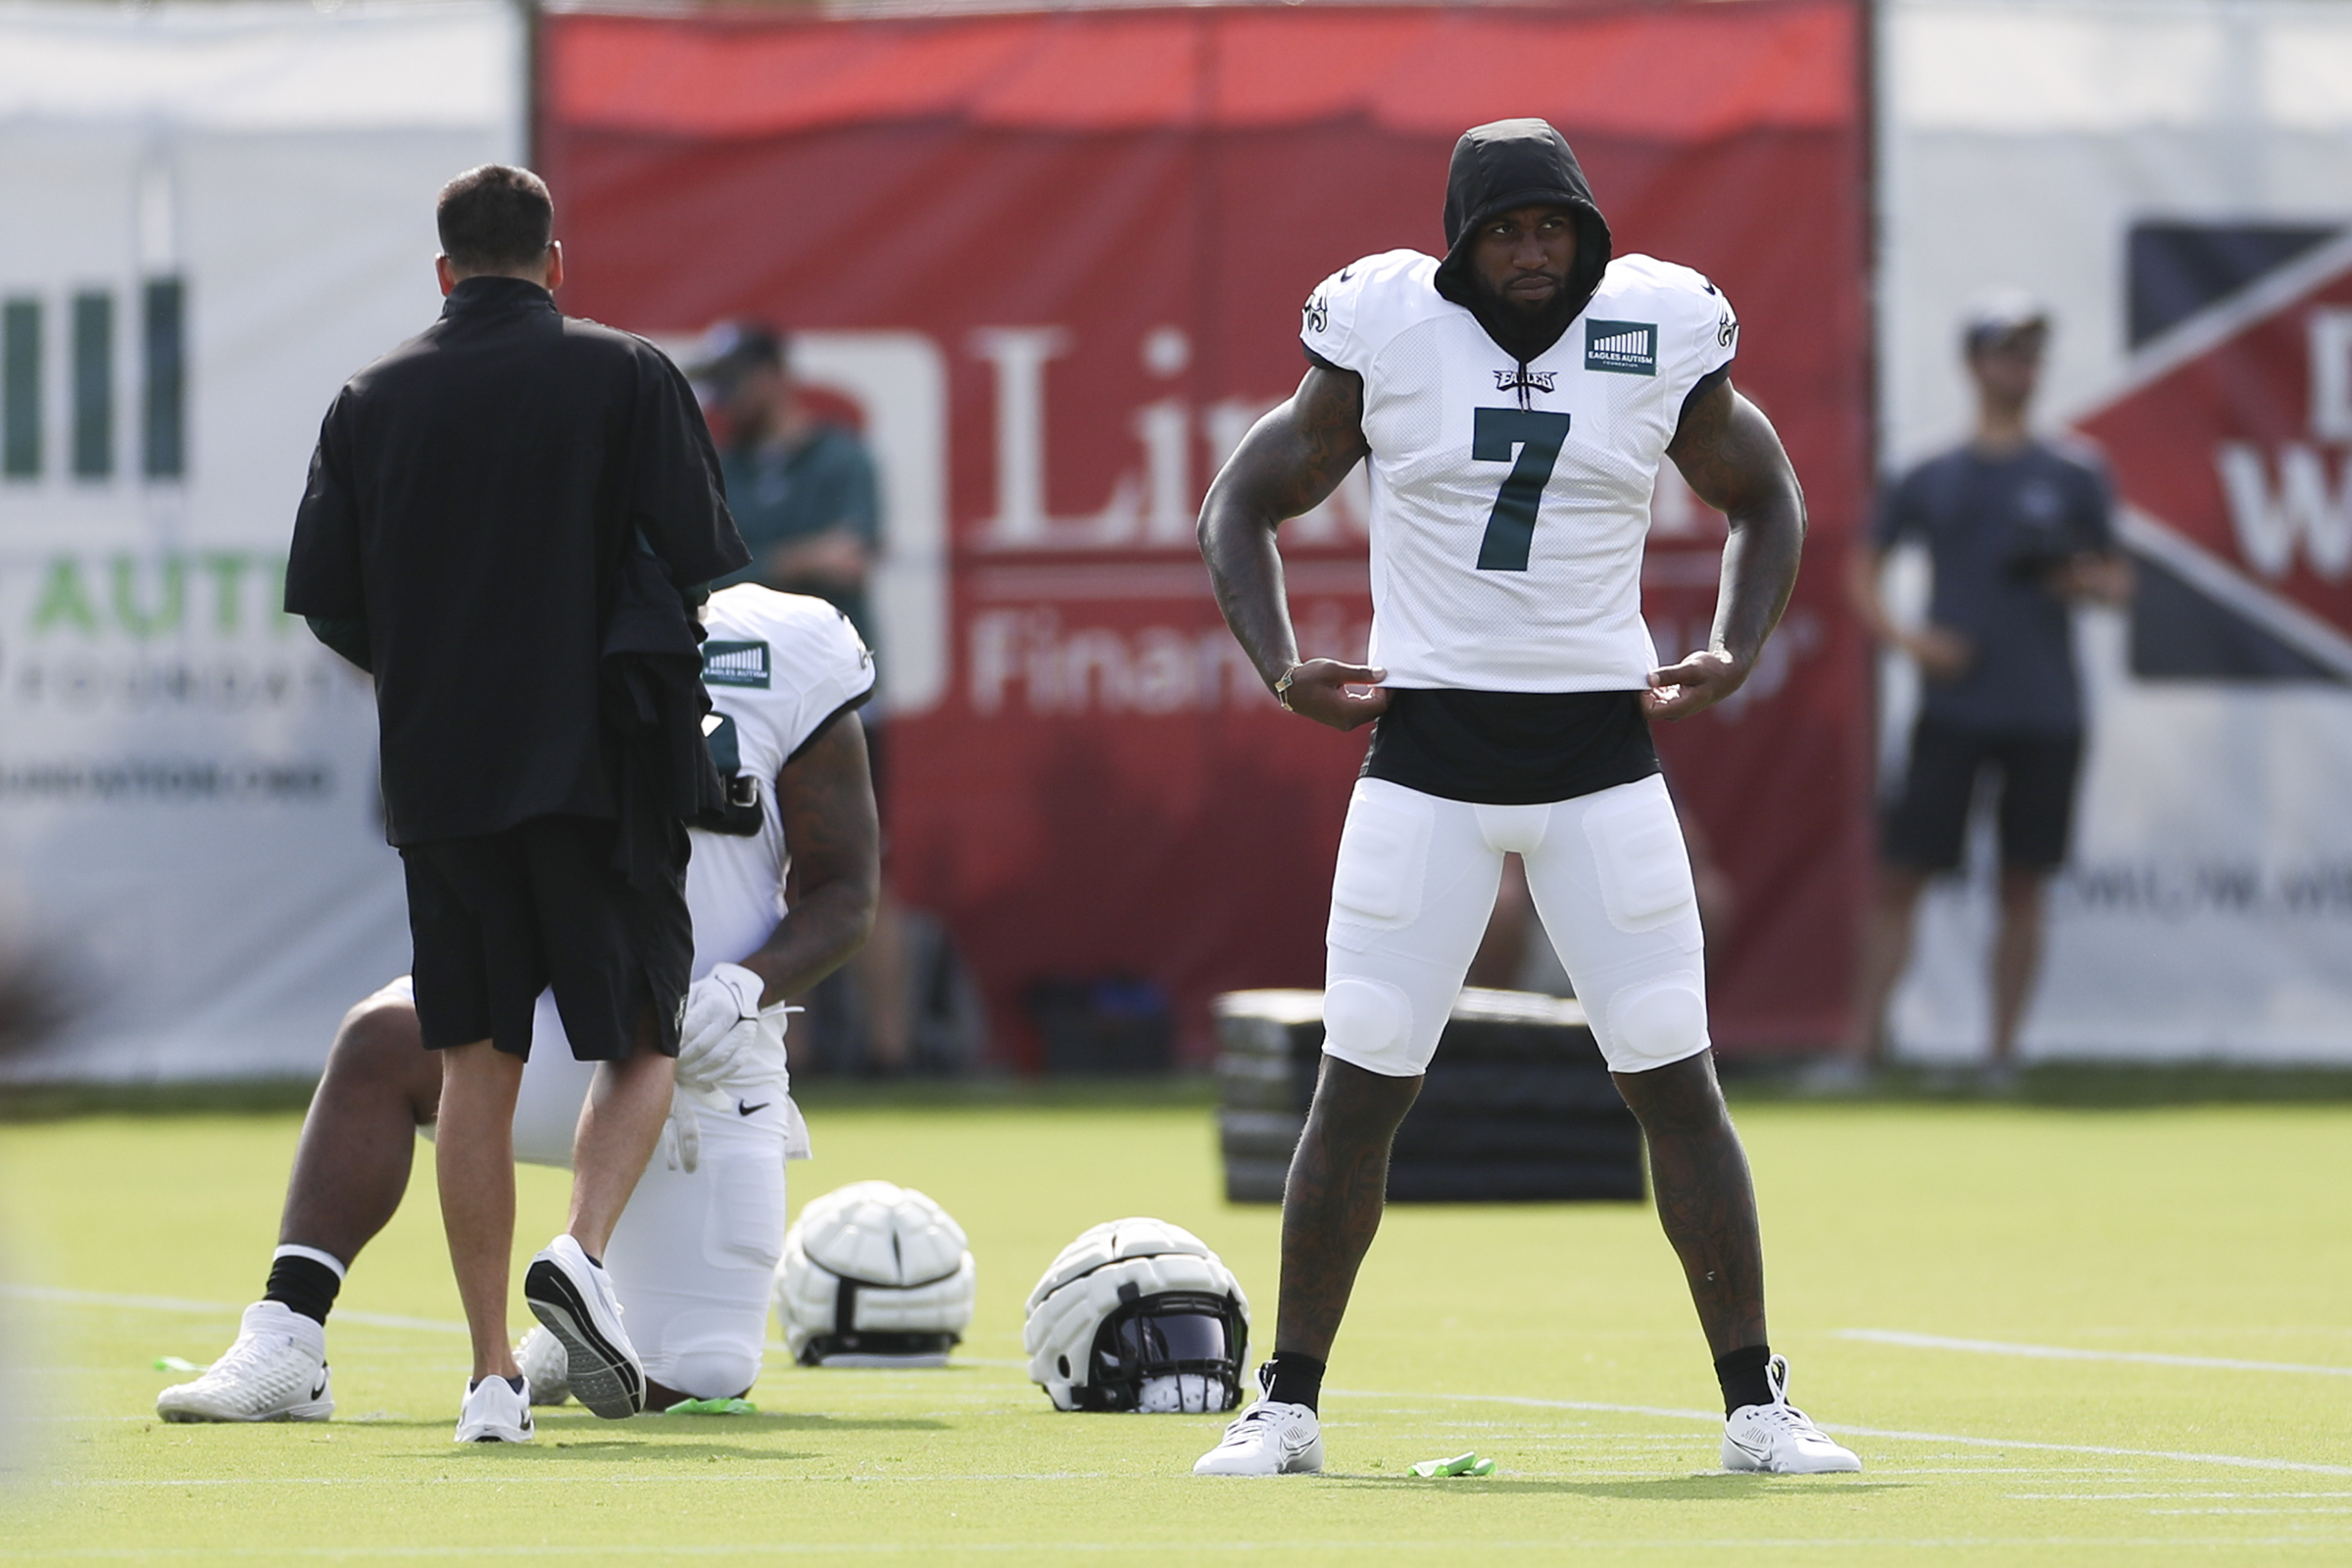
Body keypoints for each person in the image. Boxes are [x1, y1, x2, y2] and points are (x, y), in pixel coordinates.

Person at [1191, 119, 1858, 1478]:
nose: (1534, 252)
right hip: (1426, 757)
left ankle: (1755, 1403)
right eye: (1506, 230)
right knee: (1361, 1083)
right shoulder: (1386, 325)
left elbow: (1766, 494)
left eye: (1553, 226)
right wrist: (1276, 666)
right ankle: (1289, 1403)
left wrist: (1737, 642)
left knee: (1675, 1075)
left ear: (1589, 230)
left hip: (1602, 761)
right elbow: (1241, 500)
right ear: (1460, 243)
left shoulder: (1659, 325)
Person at [157, 585, 878, 1436]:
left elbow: (847, 894)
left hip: (712, 1070)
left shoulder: (788, 640)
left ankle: (559, 1343)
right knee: (383, 1040)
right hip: (565, 1035)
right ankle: (287, 1333)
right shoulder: (522, 614)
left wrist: (747, 985)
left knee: (694, 1377)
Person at [282, 165, 750, 1442]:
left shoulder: (370, 399)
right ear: (556, 262)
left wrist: (435, 675)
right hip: (606, 763)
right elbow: (701, 558)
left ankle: (491, 1378)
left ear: (442, 272)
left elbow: (328, 596)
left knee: (475, 1060)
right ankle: (581, 1252)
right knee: (643, 1030)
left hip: (447, 774)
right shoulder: (628, 371)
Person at [1838, 294, 2130, 1086]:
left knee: (2023, 882)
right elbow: (1861, 571)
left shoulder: (2075, 470)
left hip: (2045, 708)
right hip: (1954, 708)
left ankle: (2001, 1057)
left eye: (2032, 355)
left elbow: (2117, 582)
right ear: (1973, 365)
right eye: (2006, 352)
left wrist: (2080, 580)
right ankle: (1861, 1053)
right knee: (1902, 874)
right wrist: (1911, 641)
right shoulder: (1931, 472)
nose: (2020, 369)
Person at [692, 321, 915, 1075]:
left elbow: (849, 557)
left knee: (863, 868)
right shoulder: (719, 466)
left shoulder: (841, 456)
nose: (723, 400)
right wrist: (794, 561)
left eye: (735, 381)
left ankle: (892, 1053)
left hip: (833, 698)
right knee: (767, 870)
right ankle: (792, 1050)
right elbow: (700, 577)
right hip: (739, 691)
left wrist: (757, 567)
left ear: (777, 374)